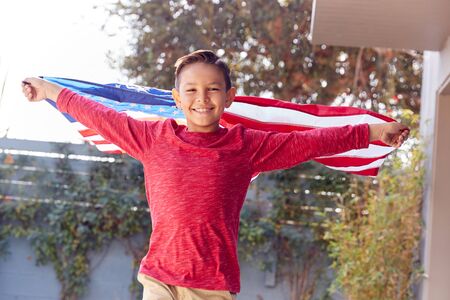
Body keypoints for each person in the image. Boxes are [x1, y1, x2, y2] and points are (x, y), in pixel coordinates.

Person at [21, 50, 409, 300]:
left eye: (212, 89)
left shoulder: (246, 147)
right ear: (176, 98)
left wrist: (371, 132)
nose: (201, 99)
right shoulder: (150, 137)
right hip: (158, 278)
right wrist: (49, 89)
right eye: (190, 90)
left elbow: (309, 142)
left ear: (229, 97)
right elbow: (99, 115)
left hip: (210, 285)